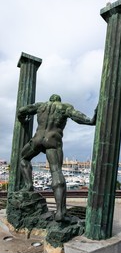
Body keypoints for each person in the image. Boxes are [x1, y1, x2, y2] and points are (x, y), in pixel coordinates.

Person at [17, 94, 97, 222]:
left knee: (23, 158)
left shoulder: (41, 106)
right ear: (58, 100)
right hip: (52, 140)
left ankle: (28, 185)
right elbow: (77, 117)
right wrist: (91, 120)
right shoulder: (64, 106)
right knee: (56, 172)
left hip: (37, 139)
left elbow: (21, 111)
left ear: (50, 100)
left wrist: (23, 120)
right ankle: (60, 212)